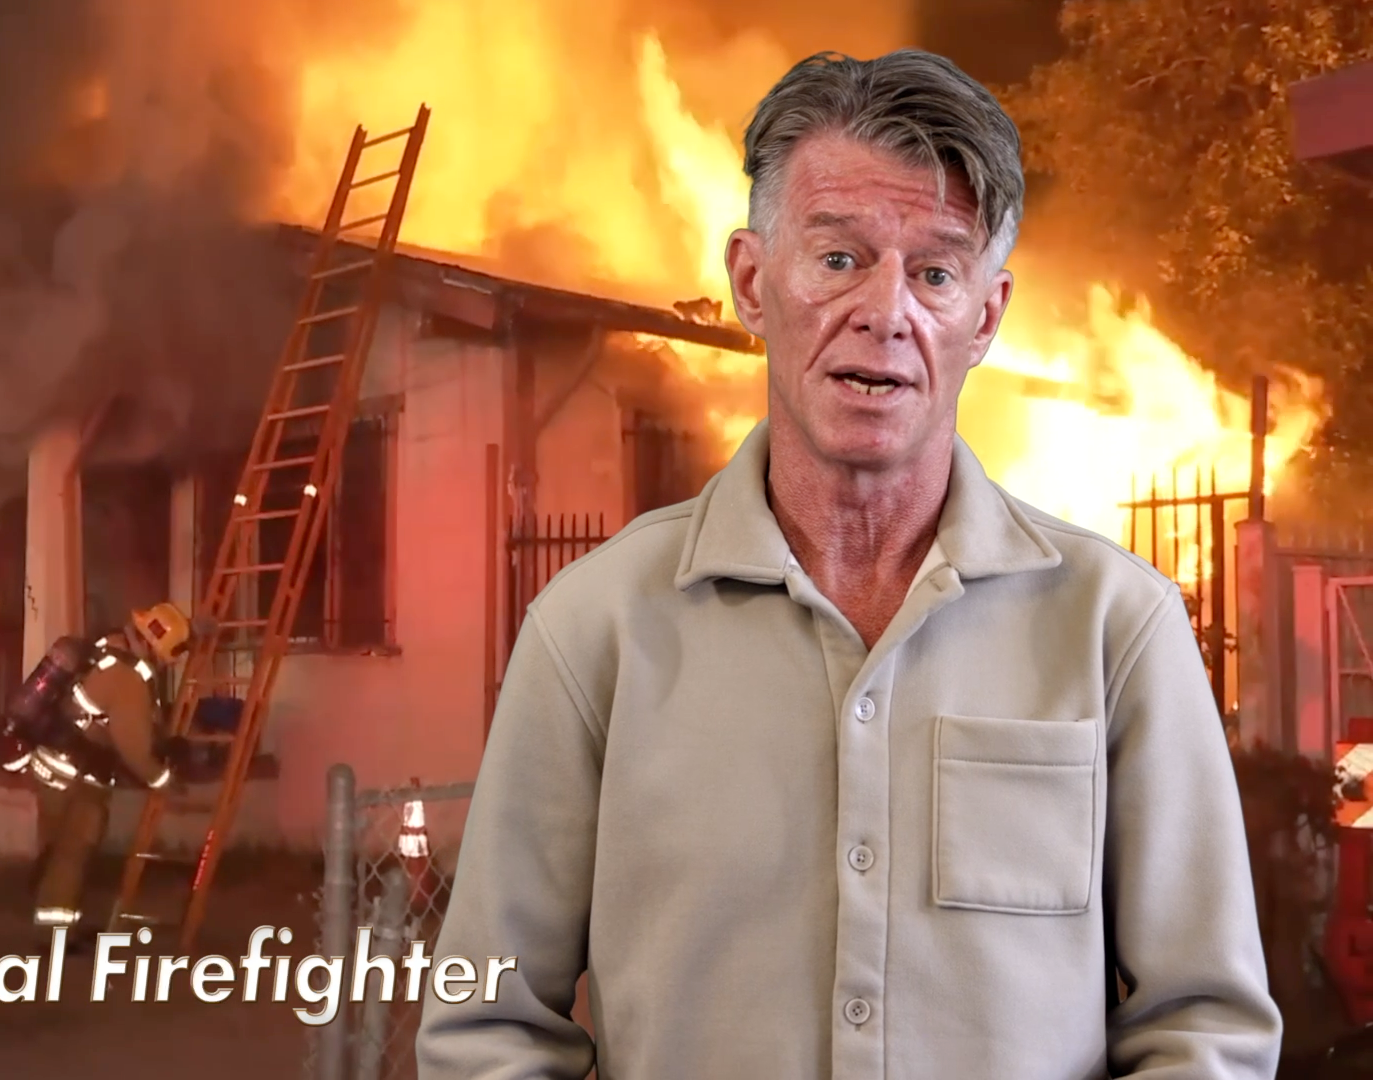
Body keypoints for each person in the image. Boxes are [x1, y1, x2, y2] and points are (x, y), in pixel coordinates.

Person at [418, 49, 1280, 1080]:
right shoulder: (592, 630)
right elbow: (488, 1026)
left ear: (986, 317)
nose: (887, 311)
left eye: (935, 273)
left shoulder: (1117, 628)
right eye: (838, 259)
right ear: (751, 281)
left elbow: (1208, 1028)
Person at [2, 602, 201, 942]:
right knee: (72, 853)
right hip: (77, 778)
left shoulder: (107, 648)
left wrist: (198, 627)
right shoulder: (130, 679)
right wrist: (166, 782)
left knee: (56, 847)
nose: (173, 661)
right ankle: (55, 936)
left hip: (49, 765)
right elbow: (134, 749)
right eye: (175, 652)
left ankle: (53, 912)